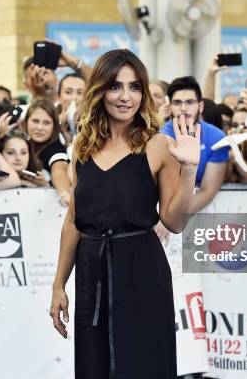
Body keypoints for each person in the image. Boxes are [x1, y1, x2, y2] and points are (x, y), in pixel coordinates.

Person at [50, 49, 200, 378]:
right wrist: (59, 285)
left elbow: (174, 223)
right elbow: (74, 220)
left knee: (142, 365)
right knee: (96, 367)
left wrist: (189, 171)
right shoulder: (82, 147)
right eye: (116, 86)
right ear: (100, 90)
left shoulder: (158, 145)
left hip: (142, 271)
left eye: (134, 87)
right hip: (92, 273)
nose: (125, 97)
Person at [161, 76, 228, 213]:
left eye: (190, 102)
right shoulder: (159, 137)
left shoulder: (217, 137)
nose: (183, 108)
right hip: (161, 208)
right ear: (170, 107)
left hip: (197, 212)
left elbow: (208, 190)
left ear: (201, 106)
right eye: (177, 103)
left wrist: (174, 218)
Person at [24, 98, 71, 205]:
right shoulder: (22, 144)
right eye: (35, 121)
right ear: (26, 121)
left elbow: (59, 172)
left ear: (54, 126)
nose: (40, 127)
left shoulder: (56, 149)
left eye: (46, 123)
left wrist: (64, 194)